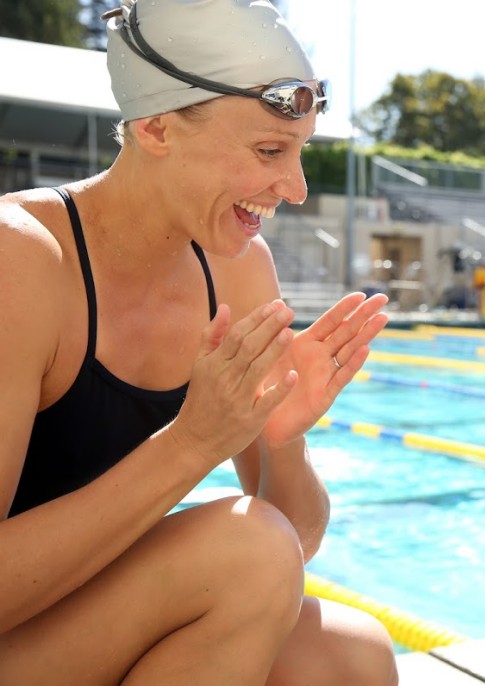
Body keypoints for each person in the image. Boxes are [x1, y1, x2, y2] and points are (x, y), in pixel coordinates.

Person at [0, 1, 398, 684]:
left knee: (351, 656)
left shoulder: (238, 269)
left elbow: (292, 545)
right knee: (245, 552)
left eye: (298, 153)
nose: (297, 189)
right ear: (156, 129)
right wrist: (192, 445)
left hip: (68, 618)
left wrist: (279, 438)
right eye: (270, 152)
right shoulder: (23, 262)